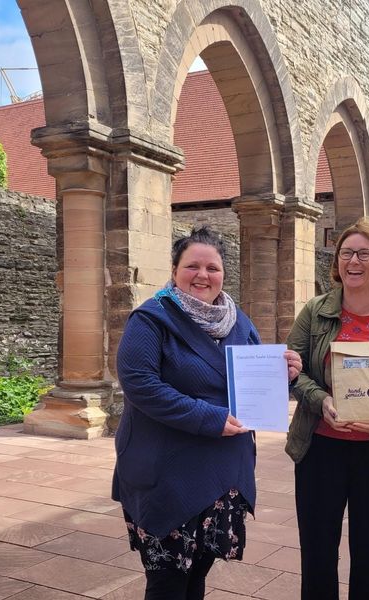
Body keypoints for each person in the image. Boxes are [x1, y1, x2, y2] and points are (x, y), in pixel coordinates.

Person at [112, 226, 302, 600]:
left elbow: (252, 383)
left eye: (212, 268)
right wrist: (208, 418)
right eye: (192, 266)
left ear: (223, 274)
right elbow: (140, 384)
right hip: (167, 473)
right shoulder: (150, 321)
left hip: (221, 474)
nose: (203, 275)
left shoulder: (239, 321)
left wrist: (285, 376)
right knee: (167, 581)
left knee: (197, 574)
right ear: (174, 270)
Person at [285, 217, 369, 600]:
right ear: (337, 261)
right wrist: (321, 400)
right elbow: (292, 370)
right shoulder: (315, 312)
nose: (354, 261)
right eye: (346, 253)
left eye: (365, 253)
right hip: (320, 449)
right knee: (317, 552)